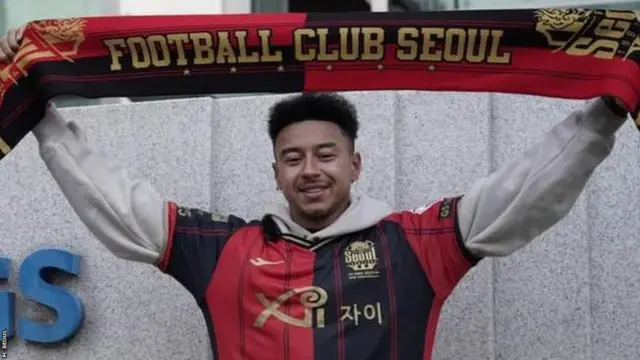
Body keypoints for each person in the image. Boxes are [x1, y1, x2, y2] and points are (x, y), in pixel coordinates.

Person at [0, 26, 631, 360]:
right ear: (276, 172)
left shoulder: (416, 245)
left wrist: (600, 113)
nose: (310, 169)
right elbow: (115, 204)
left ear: (355, 164)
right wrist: (42, 113)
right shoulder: (224, 249)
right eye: (292, 158)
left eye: (325, 155)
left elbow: (522, 196)